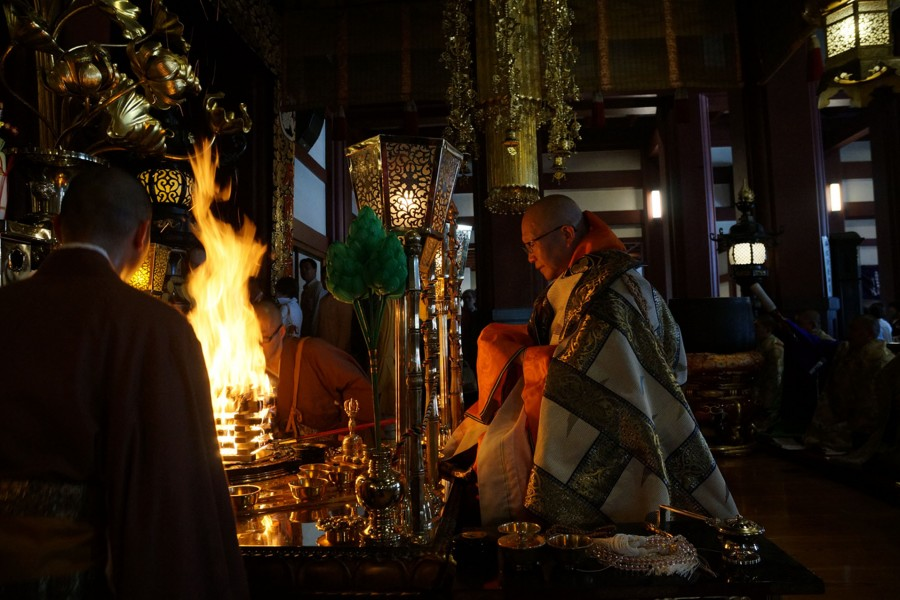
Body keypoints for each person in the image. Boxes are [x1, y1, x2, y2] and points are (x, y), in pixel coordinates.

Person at [0, 165, 248, 598]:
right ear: (142, 235)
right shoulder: (153, 329)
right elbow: (173, 491)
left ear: (58, 227)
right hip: (70, 583)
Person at [443, 194, 737, 528]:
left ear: (567, 234)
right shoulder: (594, 281)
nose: (530, 257)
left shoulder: (605, 291)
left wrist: (520, 357)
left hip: (622, 419)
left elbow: (586, 368)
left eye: (532, 244)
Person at [255, 299, 375, 437]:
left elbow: (360, 389)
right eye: (250, 339)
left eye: (263, 338)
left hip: (331, 450)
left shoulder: (312, 352)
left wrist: (350, 434)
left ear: (281, 332)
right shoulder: (248, 373)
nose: (255, 346)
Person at [804, 314, 896, 455]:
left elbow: (874, 403)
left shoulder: (880, 359)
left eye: (854, 330)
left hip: (864, 424)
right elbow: (833, 388)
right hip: (843, 416)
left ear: (869, 334)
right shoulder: (847, 352)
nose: (849, 334)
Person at [299, 258, 327, 337]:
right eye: (301, 268)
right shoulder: (305, 289)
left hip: (312, 334)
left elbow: (317, 312)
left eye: (307, 268)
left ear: (315, 270)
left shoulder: (318, 286)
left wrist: (313, 334)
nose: (303, 271)